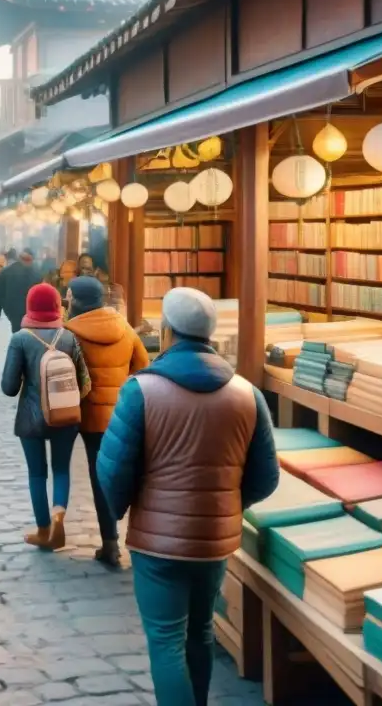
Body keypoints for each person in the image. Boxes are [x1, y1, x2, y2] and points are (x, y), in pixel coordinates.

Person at [98, 287, 279, 706]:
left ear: (166, 332)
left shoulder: (141, 391)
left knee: (165, 640)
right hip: (214, 543)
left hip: (157, 543)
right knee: (201, 632)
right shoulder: (246, 394)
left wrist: (125, 509)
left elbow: (111, 470)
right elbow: (266, 477)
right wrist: (225, 506)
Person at [64, 277, 149, 566]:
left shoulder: (70, 332)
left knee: (98, 476)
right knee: (125, 473)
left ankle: (110, 542)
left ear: (76, 300)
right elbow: (143, 368)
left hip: (88, 418)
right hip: (122, 415)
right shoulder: (124, 329)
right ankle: (136, 537)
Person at [1, 284, 90, 550]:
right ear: (56, 306)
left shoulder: (20, 339)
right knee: (61, 469)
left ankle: (43, 530)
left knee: (37, 474)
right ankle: (59, 517)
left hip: (31, 419)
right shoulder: (69, 337)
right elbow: (85, 382)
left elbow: (9, 387)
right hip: (66, 417)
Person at [0, 249, 43, 333]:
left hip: (13, 312)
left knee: (18, 332)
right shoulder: (37, 273)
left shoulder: (5, 272)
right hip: (31, 312)